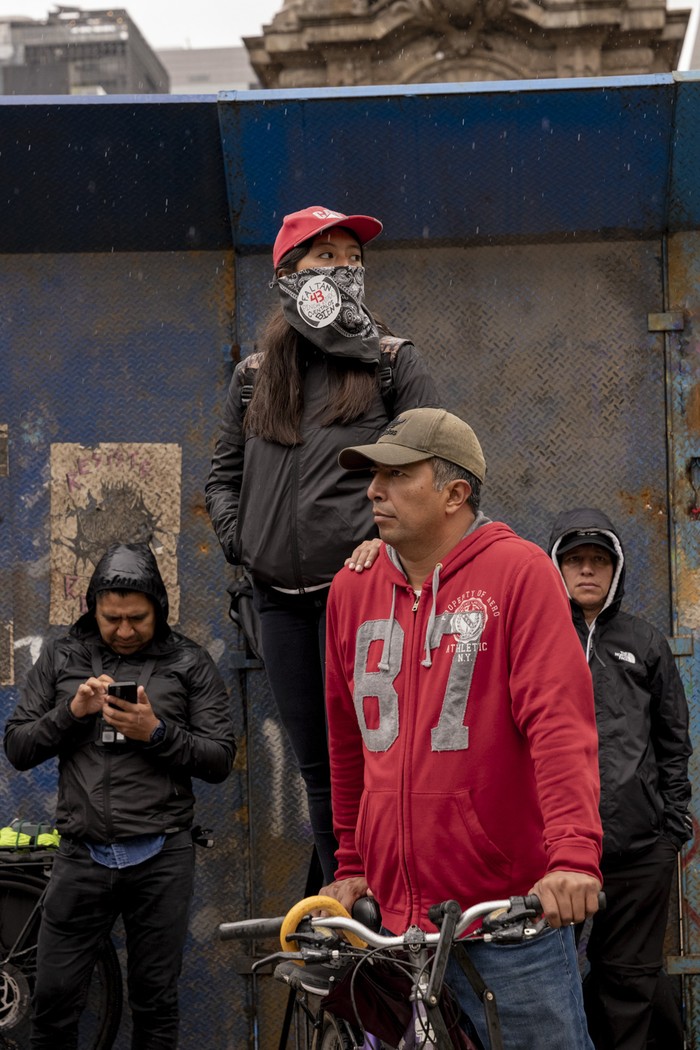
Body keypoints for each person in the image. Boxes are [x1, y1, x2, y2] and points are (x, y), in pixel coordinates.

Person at [321, 407, 603, 1050]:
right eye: (374, 476)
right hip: (393, 932)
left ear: (455, 493)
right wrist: (352, 860)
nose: (374, 490)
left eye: (396, 474)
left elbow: (559, 725)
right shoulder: (351, 588)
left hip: (509, 923)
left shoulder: (520, 573)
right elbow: (348, 741)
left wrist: (572, 859)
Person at [205, 205, 438, 886]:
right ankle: (350, 907)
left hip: (367, 597)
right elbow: (222, 476)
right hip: (277, 604)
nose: (342, 269)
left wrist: (390, 548)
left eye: (350, 257)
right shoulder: (254, 375)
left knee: (387, 757)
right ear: (288, 276)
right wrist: (244, 544)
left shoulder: (393, 361)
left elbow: (438, 468)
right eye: (323, 258)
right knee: (323, 767)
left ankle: (408, 905)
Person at [4, 542, 236, 1050]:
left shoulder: (189, 662)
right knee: (55, 999)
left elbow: (221, 758)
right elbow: (17, 746)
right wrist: (73, 713)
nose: (125, 630)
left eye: (137, 618)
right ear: (93, 608)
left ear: (159, 609)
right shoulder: (63, 656)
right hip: (81, 855)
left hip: (161, 857)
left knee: (155, 1002)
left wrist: (156, 731)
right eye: (112, 618)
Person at [548, 508, 692, 1050]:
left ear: (617, 570)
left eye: (599, 561)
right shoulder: (535, 637)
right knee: (542, 980)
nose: (588, 571)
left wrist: (670, 830)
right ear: (555, 568)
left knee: (628, 979)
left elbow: (673, 740)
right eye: (576, 561)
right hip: (552, 855)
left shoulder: (644, 643)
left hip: (637, 851)